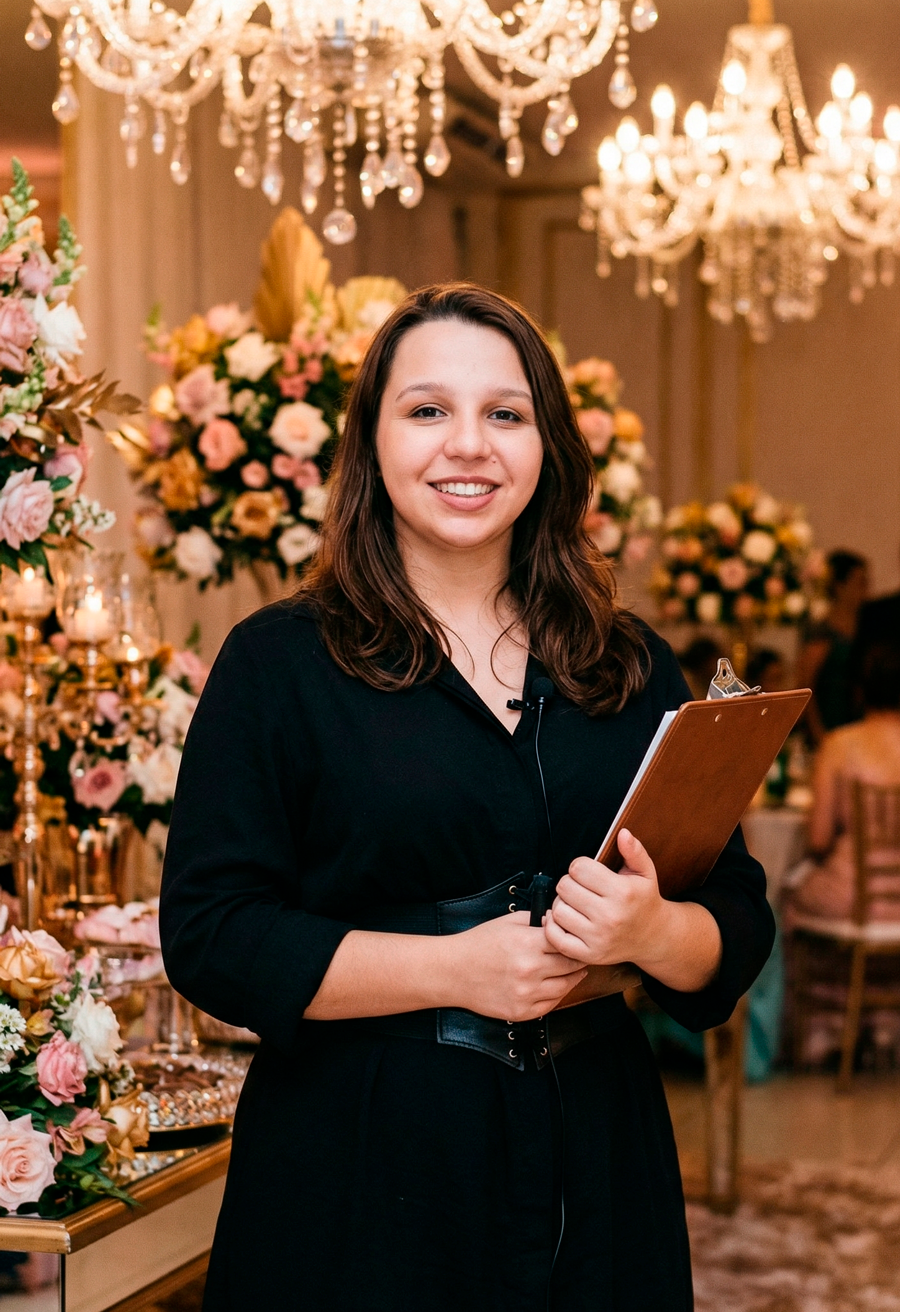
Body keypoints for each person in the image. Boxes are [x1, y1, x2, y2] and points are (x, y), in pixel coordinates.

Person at [160, 284, 774, 1311]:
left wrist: (656, 927)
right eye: (428, 409)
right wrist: (456, 968)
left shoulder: (629, 665)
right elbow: (213, 933)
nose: (469, 445)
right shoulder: (280, 663)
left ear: (548, 446)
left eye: (505, 413)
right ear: (373, 440)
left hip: (598, 1155)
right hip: (361, 1160)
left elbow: (740, 915)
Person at [788, 640, 900, 922]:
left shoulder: (840, 745)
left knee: (783, 896)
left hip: (854, 894)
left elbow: (818, 839)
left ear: (860, 688)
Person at [797, 549, 869, 745]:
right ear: (839, 586)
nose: (866, 590)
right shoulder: (821, 630)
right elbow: (805, 687)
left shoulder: (868, 626)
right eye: (859, 583)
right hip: (830, 722)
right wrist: (819, 735)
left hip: (862, 725)